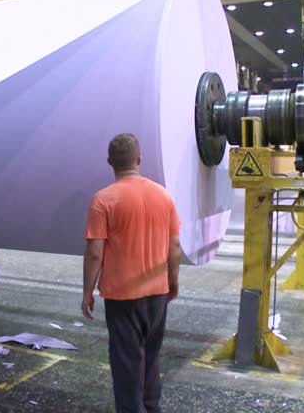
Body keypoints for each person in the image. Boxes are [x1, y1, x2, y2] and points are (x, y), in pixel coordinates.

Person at [81, 133, 182, 413]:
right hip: (157, 294)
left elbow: (94, 252)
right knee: (150, 360)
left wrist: (88, 292)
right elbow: (174, 246)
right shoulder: (163, 195)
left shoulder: (103, 200)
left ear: (110, 162)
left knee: (127, 367)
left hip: (123, 298)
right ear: (138, 160)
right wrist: (172, 281)